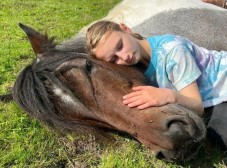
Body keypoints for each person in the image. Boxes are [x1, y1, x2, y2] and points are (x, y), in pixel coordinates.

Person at [86, 20, 227, 150]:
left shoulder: (173, 51)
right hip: (209, 97)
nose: (124, 57)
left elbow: (197, 106)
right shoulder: (134, 68)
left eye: (120, 46)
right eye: (114, 59)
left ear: (126, 29)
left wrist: (168, 96)